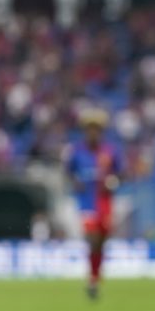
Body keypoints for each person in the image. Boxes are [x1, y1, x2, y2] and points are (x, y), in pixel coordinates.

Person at [65, 109, 122, 300]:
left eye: (96, 129)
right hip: (86, 201)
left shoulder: (110, 151)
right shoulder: (77, 151)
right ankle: (92, 279)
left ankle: (94, 277)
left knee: (101, 241)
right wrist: (75, 181)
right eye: (90, 129)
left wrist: (113, 181)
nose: (93, 133)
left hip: (105, 201)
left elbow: (121, 173)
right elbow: (68, 171)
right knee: (93, 237)